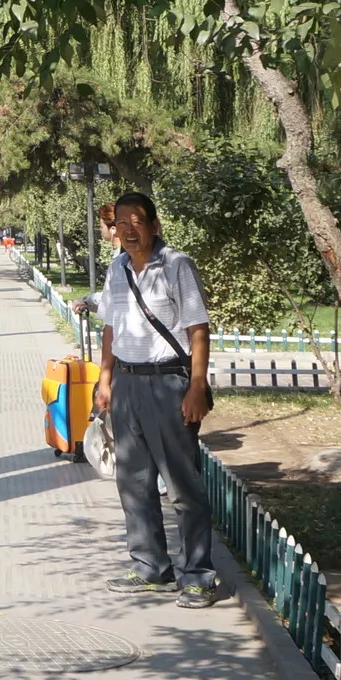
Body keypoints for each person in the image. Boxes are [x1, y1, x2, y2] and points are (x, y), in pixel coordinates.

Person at [93, 190, 219, 608]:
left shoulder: (176, 265)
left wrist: (196, 386)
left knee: (182, 486)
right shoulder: (117, 268)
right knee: (133, 481)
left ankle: (198, 575)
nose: (128, 229)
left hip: (168, 383)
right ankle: (151, 567)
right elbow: (111, 328)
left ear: (154, 226)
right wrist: (105, 379)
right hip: (127, 382)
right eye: (121, 223)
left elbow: (198, 329)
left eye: (137, 221)